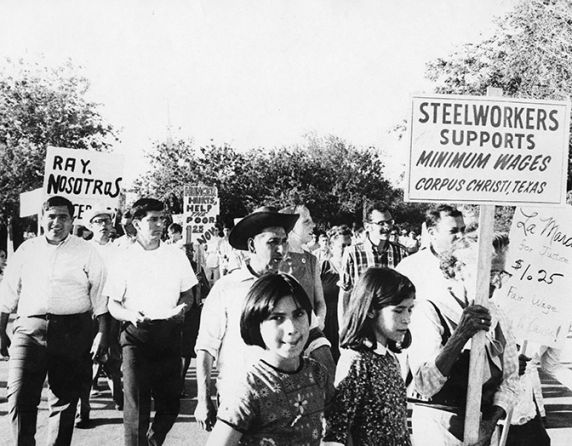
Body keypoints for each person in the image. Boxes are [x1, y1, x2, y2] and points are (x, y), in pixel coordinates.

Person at [194, 206, 335, 432]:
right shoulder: (226, 288)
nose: (281, 249)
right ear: (252, 245)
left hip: (288, 399)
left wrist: (332, 382)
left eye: (284, 241)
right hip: (236, 399)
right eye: (272, 242)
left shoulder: (290, 285)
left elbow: (313, 335)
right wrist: (203, 399)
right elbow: (206, 347)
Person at [0, 195, 108, 446]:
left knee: (64, 401)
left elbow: (100, 294)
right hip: (28, 331)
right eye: (51, 216)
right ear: (42, 218)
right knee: (18, 398)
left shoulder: (86, 251)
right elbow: (8, 291)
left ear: (72, 221)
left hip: (72, 332)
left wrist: (102, 332)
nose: (56, 222)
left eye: (63, 217)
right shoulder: (27, 249)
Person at [407, 232, 519, 446]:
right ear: (459, 270)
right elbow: (425, 384)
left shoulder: (498, 315)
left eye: (501, 274)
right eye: (491, 273)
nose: (497, 283)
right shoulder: (430, 310)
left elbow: (511, 380)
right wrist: (460, 335)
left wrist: (489, 423)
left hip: (482, 433)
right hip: (438, 431)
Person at [105, 198, 198, 446]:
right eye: (152, 219)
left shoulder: (175, 255)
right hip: (136, 336)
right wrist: (131, 315)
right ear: (136, 223)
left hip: (168, 335)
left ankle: (152, 442)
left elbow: (188, 292)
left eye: (162, 219)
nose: (159, 224)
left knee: (170, 405)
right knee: (136, 406)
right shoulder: (122, 258)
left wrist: (183, 308)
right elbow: (113, 304)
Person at [206, 272, 333, 446]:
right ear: (256, 324)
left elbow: (336, 427)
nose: (291, 328)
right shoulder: (248, 387)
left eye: (299, 314)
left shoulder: (318, 374)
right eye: (277, 318)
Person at [323, 267, 415, 446]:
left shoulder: (390, 358)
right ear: (372, 310)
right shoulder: (356, 361)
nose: (407, 319)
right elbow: (336, 430)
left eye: (410, 310)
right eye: (399, 310)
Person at [338, 203, 408, 323]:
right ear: (367, 226)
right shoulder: (352, 253)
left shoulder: (401, 253)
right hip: (362, 324)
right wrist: (344, 328)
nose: (387, 227)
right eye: (381, 223)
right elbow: (345, 294)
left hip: (391, 325)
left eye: (390, 222)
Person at [396, 205, 466, 306]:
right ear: (432, 233)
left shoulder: (473, 265)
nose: (461, 236)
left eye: (463, 230)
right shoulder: (410, 267)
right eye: (453, 231)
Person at [279, 204, 327, 329]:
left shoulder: (312, 260)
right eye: (306, 222)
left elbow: (320, 302)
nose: (313, 225)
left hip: (310, 330)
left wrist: (320, 319)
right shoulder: (277, 260)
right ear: (291, 226)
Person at [320, 225, 352, 362]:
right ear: (332, 247)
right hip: (328, 325)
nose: (347, 249)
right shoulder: (323, 267)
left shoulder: (355, 269)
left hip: (349, 325)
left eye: (349, 245)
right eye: (342, 246)